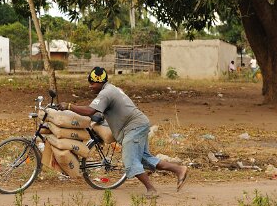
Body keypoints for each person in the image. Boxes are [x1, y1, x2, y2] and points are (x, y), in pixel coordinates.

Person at [58, 67, 188, 198]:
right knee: (145, 159)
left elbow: (90, 111)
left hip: (134, 127)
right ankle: (179, 169)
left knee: (130, 161)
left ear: (100, 82)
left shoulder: (106, 93)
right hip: (138, 124)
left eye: (92, 83)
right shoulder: (111, 89)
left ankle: (151, 190)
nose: (90, 86)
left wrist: (69, 106)